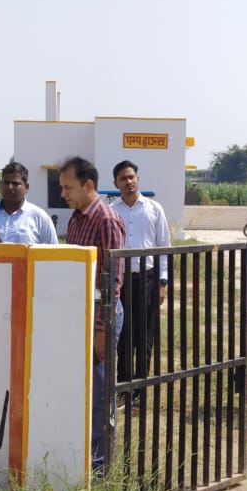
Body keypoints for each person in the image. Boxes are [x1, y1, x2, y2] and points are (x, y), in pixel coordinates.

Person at [60, 157, 126, 469]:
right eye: (61, 188)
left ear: (88, 185)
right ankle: (81, 450)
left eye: (68, 187)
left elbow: (112, 279)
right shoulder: (76, 219)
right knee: (80, 385)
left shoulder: (106, 220)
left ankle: (100, 462)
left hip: (102, 314)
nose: (63, 193)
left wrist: (102, 328)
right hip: (78, 311)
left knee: (100, 390)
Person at [110, 160, 171, 391]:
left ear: (138, 179)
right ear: (115, 183)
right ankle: (124, 386)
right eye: (123, 178)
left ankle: (140, 389)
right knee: (123, 332)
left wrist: (163, 282)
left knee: (145, 333)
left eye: (131, 177)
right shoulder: (112, 211)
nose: (128, 182)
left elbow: (163, 246)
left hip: (148, 279)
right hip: (121, 280)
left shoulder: (154, 209)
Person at [0, 162, 58, 245]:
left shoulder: (40, 217)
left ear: (26, 187)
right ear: (0, 185)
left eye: (15, 183)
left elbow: (54, 251)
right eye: (6, 183)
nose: (9, 187)